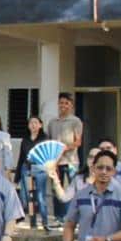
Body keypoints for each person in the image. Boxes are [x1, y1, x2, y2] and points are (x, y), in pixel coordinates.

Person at [43, 92, 84, 226]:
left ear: (71, 105)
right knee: (56, 188)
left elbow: (78, 142)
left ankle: (73, 217)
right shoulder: (52, 122)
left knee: (73, 188)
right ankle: (59, 217)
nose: (63, 105)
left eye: (66, 103)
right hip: (55, 162)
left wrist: (63, 148)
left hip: (71, 161)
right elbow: (49, 141)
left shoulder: (75, 121)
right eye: (61, 103)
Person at [16, 116, 49, 230]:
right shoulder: (25, 140)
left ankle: (45, 222)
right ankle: (32, 222)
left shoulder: (45, 139)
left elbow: (48, 156)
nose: (33, 125)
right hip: (26, 168)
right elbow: (21, 157)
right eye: (31, 123)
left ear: (40, 125)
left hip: (40, 168)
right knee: (27, 198)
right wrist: (17, 177)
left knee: (40, 197)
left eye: (36, 123)